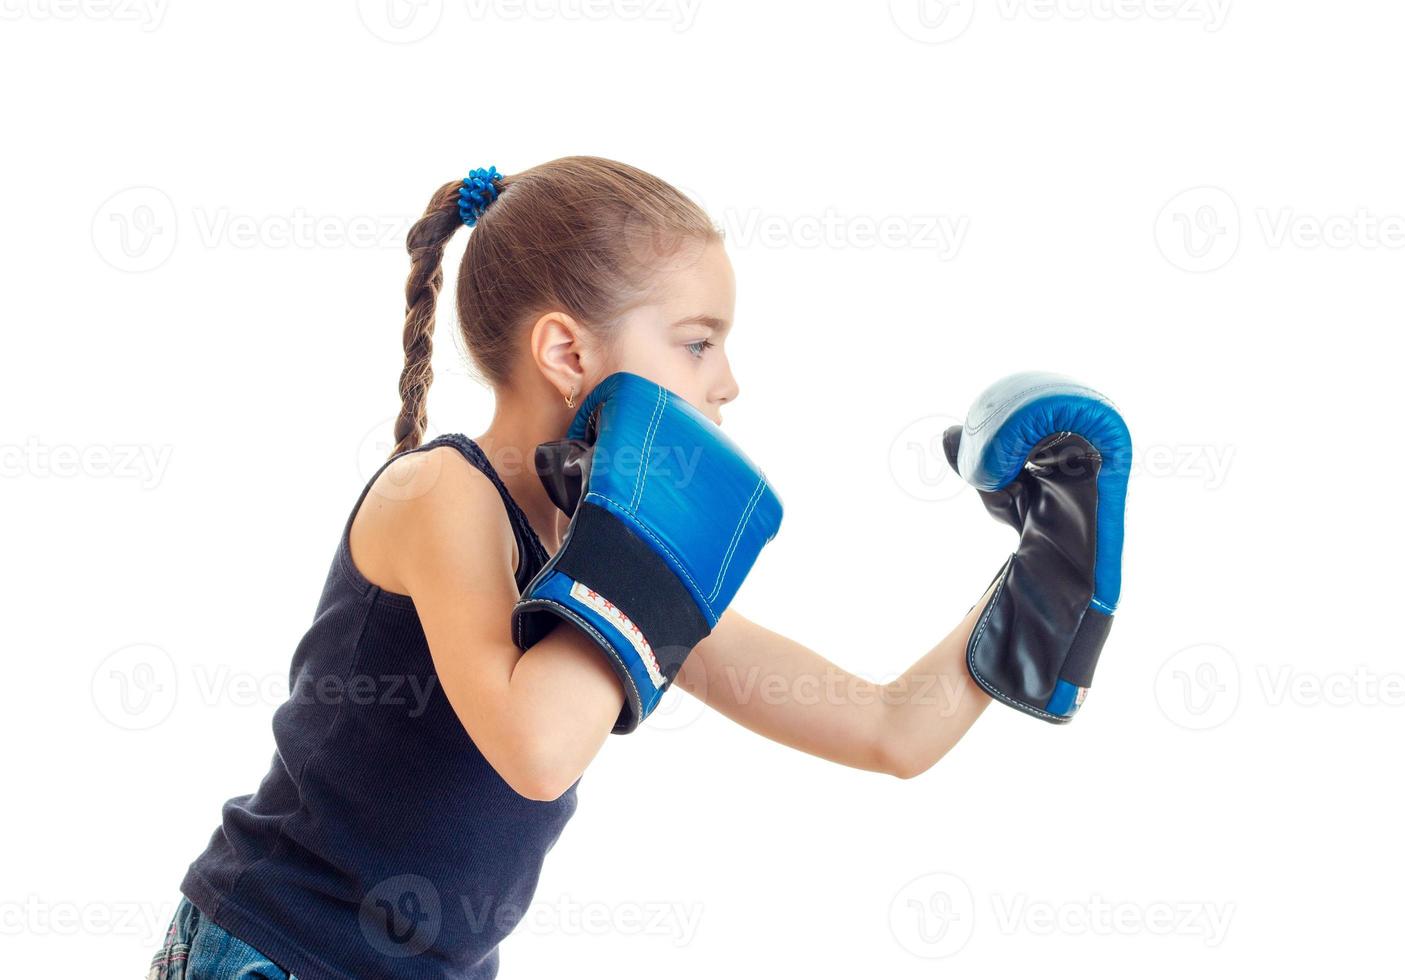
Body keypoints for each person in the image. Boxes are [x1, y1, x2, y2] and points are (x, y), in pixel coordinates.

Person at [148, 156, 995, 980]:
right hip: (283, 949)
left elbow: (889, 729)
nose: (729, 383)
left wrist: (1034, 589)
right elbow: (538, 748)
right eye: (698, 344)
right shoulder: (443, 492)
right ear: (565, 352)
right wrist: (637, 546)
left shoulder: (597, 553)